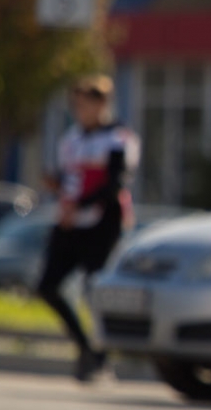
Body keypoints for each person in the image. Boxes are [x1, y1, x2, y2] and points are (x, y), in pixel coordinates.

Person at [38, 75, 141, 383]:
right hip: (70, 222)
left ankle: (101, 356)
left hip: (102, 225)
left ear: (102, 105)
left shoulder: (119, 139)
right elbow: (71, 177)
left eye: (85, 104)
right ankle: (86, 348)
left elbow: (113, 185)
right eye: (76, 104)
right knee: (47, 286)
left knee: (94, 290)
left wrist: (79, 205)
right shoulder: (71, 139)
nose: (79, 110)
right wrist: (57, 186)